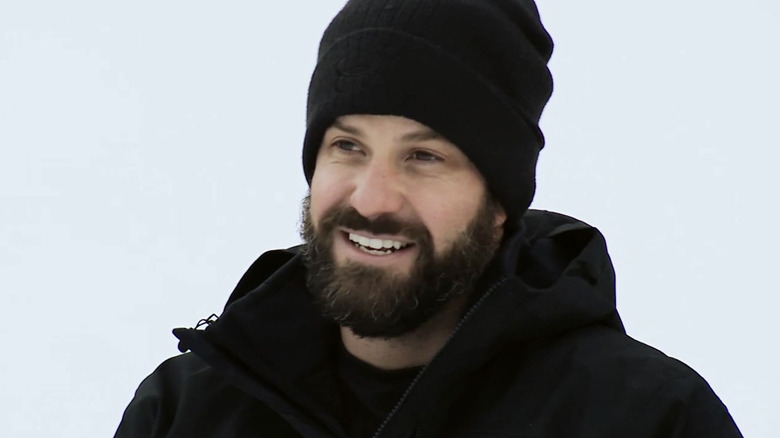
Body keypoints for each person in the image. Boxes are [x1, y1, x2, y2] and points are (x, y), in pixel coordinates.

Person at [115, 0, 742, 436]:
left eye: (424, 156)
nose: (373, 198)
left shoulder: (647, 419)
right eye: (348, 147)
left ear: (500, 203)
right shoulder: (184, 410)